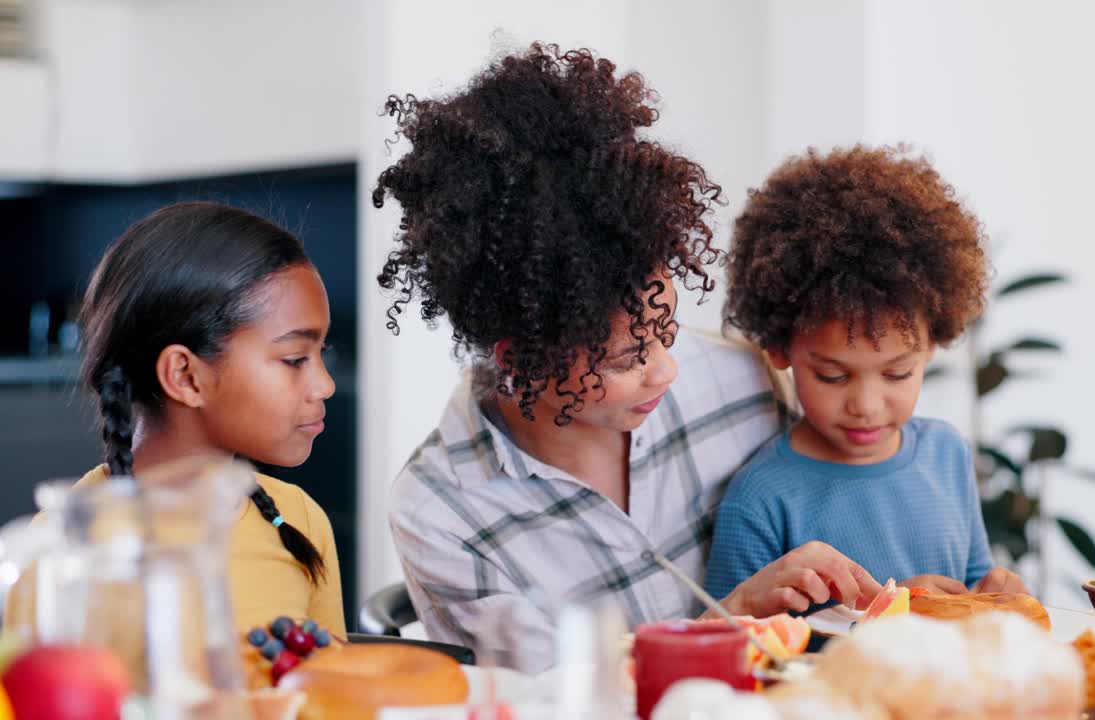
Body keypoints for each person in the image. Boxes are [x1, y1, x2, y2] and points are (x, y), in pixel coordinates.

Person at [375, 43, 880, 672]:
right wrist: (722, 624)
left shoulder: (740, 385)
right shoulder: (443, 511)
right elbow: (543, 707)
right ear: (521, 359)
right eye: (624, 359)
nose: (666, 369)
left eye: (666, 329)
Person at [5, 201, 346, 638]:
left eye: (323, 354)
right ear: (185, 376)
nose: (325, 385)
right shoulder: (66, 546)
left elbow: (327, 691)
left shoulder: (299, 520)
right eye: (295, 358)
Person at [705, 145, 1029, 602]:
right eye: (834, 377)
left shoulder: (947, 454)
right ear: (780, 348)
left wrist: (996, 595)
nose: (867, 406)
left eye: (897, 374)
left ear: (933, 344)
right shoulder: (762, 496)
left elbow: (972, 588)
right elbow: (738, 643)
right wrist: (891, 615)